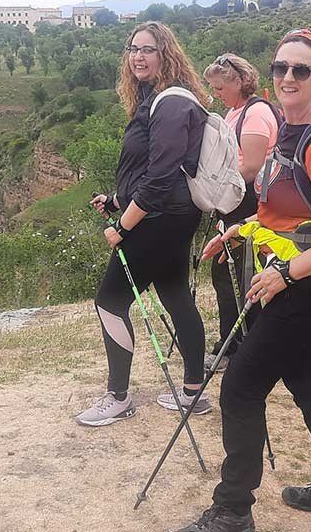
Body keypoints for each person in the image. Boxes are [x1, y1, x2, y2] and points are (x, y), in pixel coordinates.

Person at [179, 28, 311, 532]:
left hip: (306, 283)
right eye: (281, 67)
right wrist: (241, 228)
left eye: (300, 70)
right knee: (308, 380)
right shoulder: (288, 130)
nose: (287, 76)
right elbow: (283, 212)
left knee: (239, 388)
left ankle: (233, 508)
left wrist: (285, 273)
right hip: (285, 276)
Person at [76, 22, 211, 426]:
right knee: (175, 296)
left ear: (165, 54)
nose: (138, 56)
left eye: (148, 49)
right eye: (133, 48)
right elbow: (147, 169)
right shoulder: (157, 98)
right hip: (169, 217)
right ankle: (193, 393)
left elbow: (161, 176)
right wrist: (117, 199)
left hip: (158, 219)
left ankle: (118, 397)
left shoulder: (169, 103)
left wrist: (123, 224)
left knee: (109, 302)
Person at [202, 53, 281, 371]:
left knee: (236, 274)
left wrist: (215, 185)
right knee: (228, 273)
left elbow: (251, 165)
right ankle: (237, 342)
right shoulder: (236, 112)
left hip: (246, 202)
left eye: (220, 87)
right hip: (233, 200)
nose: (216, 94)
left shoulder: (257, 113)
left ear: (238, 81)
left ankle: (238, 346)